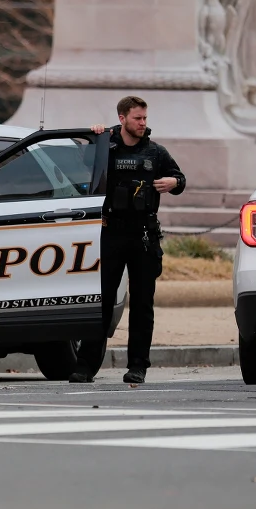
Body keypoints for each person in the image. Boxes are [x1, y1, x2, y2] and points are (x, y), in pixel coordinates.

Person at [71, 96, 186, 385]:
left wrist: (174, 183)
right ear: (122, 118)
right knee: (103, 301)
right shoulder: (105, 146)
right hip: (112, 232)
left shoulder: (156, 152)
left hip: (144, 235)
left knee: (143, 303)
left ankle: (138, 366)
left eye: (145, 118)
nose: (143, 123)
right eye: (138, 118)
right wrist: (93, 137)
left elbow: (179, 178)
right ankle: (85, 366)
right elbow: (79, 168)